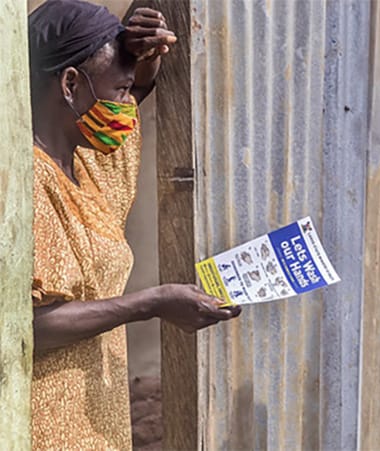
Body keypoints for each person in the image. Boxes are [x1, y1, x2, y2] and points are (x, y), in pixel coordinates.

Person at [28, 1, 241, 448]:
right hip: (42, 429)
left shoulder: (88, 166)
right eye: (120, 92)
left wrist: (143, 49)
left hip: (95, 430)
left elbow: (138, 83)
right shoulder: (27, 180)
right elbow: (27, 324)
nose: (127, 110)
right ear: (69, 85)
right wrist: (150, 303)